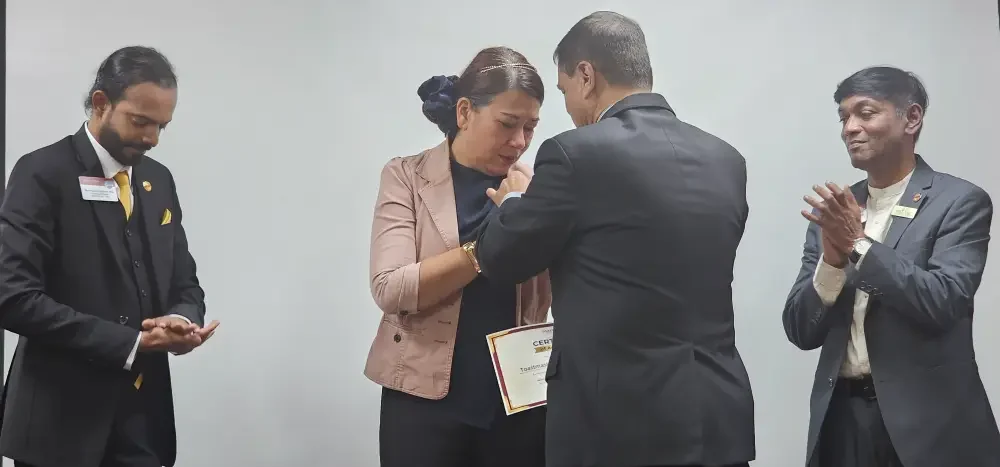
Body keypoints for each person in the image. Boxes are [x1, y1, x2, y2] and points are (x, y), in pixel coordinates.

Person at [472, 11, 755, 467]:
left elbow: (501, 258)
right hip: (716, 421)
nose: (569, 108)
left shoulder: (573, 154)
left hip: (616, 428)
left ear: (586, 76)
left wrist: (514, 202)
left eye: (564, 90)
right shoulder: (727, 160)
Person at [0, 46, 219, 467]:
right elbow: (12, 297)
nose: (153, 139)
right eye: (141, 121)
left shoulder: (158, 180)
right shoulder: (42, 173)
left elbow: (184, 282)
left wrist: (181, 319)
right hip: (57, 429)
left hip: (143, 426)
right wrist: (131, 343)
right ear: (101, 102)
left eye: (162, 126)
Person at [784, 66, 1000, 467]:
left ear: (911, 118)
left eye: (865, 113)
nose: (850, 128)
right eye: (843, 118)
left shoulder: (959, 202)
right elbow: (800, 330)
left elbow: (942, 302)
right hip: (841, 420)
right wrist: (832, 263)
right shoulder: (837, 211)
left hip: (928, 425)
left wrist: (857, 245)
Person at [364, 46, 551, 467]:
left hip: (519, 398)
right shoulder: (406, 177)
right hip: (422, 400)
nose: (519, 142)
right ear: (464, 112)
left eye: (530, 127)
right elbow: (391, 288)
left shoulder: (539, 188)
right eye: (507, 123)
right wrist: (490, 243)